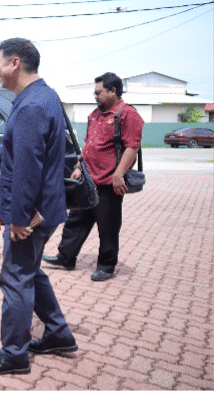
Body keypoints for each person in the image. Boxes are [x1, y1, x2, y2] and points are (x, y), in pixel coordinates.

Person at [0, 38, 76, 375]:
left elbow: (28, 168)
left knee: (15, 277)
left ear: (15, 63)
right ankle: (58, 333)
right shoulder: (44, 95)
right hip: (45, 207)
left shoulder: (31, 105)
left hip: (31, 214)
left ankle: (14, 355)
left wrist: (18, 218)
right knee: (29, 270)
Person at [43, 72, 144, 282]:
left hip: (109, 183)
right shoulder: (95, 114)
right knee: (76, 220)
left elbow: (132, 147)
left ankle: (106, 266)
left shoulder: (127, 114)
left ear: (113, 91)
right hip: (89, 179)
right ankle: (65, 257)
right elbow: (88, 145)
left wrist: (119, 174)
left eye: (98, 92)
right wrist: (79, 166)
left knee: (108, 227)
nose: (95, 96)